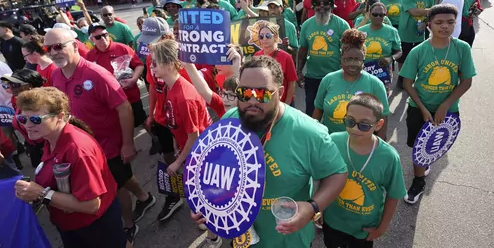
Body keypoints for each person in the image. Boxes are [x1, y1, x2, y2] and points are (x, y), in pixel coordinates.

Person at [192, 56, 348, 248]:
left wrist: (312, 207)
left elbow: (338, 173)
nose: (251, 100)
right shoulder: (229, 121)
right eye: (244, 92)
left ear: (280, 93)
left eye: (262, 94)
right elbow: (215, 168)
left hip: (288, 240)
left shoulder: (309, 132)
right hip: (243, 238)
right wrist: (204, 202)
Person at [45, 28, 154, 244]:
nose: (53, 52)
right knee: (120, 177)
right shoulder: (56, 75)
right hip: (81, 149)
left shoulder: (96, 73)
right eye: (48, 48)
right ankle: (144, 197)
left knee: (115, 186)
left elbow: (124, 108)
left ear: (75, 45)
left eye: (58, 46)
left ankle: (129, 225)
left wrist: (127, 144)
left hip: (108, 146)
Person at [13, 87, 129, 248]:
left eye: (35, 120)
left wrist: (41, 193)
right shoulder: (50, 137)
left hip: (94, 229)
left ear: (60, 117)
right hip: (72, 226)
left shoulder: (78, 150)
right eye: (22, 119)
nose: (27, 125)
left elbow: (92, 205)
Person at [399, 4, 476, 204]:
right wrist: (424, 109)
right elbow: (408, 82)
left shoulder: (462, 48)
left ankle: (421, 172)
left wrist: (445, 105)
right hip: (419, 108)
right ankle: (419, 180)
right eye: (439, 22)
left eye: (450, 22)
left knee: (434, 145)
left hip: (449, 110)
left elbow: (466, 81)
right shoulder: (419, 51)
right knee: (418, 146)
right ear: (429, 25)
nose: (445, 27)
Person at [322, 93, 406, 248]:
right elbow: (324, 177)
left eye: (364, 125)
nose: (355, 128)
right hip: (333, 220)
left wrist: (382, 228)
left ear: (378, 125)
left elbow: (393, 196)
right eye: (350, 121)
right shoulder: (334, 141)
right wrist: (319, 207)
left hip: (364, 228)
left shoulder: (388, 157)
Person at [149, 39, 211, 221]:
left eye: (155, 63)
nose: (151, 67)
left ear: (169, 64)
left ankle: (210, 225)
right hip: (190, 149)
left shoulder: (184, 97)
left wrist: (177, 163)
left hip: (202, 153)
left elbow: (194, 136)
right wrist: (177, 141)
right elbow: (180, 125)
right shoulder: (171, 86)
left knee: (205, 187)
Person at [312, 29, 390, 140]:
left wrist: (379, 146)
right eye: (348, 59)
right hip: (329, 142)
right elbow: (318, 111)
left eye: (357, 60)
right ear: (341, 59)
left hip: (362, 144)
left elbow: (383, 116)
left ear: (363, 61)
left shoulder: (375, 84)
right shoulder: (328, 80)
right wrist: (314, 138)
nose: (352, 64)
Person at [86, 23, 148, 138]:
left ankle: (156, 140)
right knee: (118, 127)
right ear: (92, 39)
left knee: (142, 120)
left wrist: (134, 79)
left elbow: (139, 65)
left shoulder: (122, 48)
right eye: (98, 37)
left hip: (130, 95)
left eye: (105, 35)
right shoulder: (89, 56)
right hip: (108, 102)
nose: (103, 39)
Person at [298, 0, 350, 116]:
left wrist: (347, 74)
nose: (321, 6)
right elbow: (303, 50)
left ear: (332, 6)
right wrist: (299, 71)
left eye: (326, 3)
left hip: (335, 76)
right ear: (313, 6)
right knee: (311, 111)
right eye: (317, 3)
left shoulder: (341, 24)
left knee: (333, 111)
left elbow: (348, 51)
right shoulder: (306, 25)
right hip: (312, 76)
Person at [1, 69, 45, 169]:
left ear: (29, 86)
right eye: (10, 83)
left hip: (47, 150)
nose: (11, 87)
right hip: (34, 148)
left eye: (15, 84)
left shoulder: (41, 105)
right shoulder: (21, 102)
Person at [397, 0, 434, 89]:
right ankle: (401, 79)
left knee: (418, 58)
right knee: (403, 58)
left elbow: (430, 15)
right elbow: (413, 12)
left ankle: (413, 79)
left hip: (420, 33)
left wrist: (425, 22)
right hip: (406, 32)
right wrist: (432, 10)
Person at [254, 21, 297, 105]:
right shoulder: (257, 55)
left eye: (268, 36)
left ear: (276, 37)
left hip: (283, 103)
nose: (264, 39)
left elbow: (292, 83)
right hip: (263, 103)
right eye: (261, 36)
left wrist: (287, 104)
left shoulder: (286, 57)